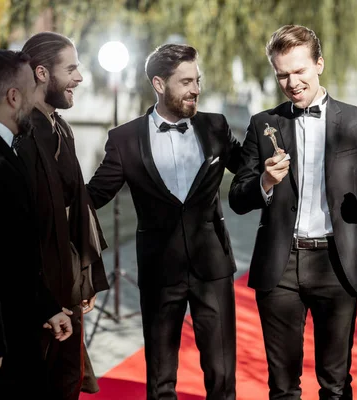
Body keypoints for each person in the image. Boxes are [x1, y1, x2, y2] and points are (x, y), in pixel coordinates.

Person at [228, 25, 357, 399]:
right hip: (280, 267)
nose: (291, 82)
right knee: (282, 386)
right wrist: (264, 181)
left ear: (319, 65)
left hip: (337, 264)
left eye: (299, 71)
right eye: (282, 74)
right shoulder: (263, 125)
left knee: (336, 382)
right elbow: (238, 197)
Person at [86, 43, 242, 400]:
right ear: (159, 84)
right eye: (186, 81)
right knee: (160, 379)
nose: (196, 88)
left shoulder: (215, 126)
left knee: (222, 376)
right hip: (159, 271)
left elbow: (249, 169)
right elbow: (95, 195)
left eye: (197, 80)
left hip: (212, 266)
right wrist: (46, 192)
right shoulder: (124, 139)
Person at [0, 49, 73, 400]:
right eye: (32, 89)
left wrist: (46, 306)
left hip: (15, 325)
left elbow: (12, 251)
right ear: (14, 97)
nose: (37, 97)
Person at [18, 31, 110, 399]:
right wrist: (46, 297)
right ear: (41, 73)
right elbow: (23, 224)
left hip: (64, 285)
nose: (80, 78)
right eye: (70, 69)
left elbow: (77, 204)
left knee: (67, 382)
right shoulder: (22, 132)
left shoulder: (60, 126)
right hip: (37, 292)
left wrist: (83, 275)